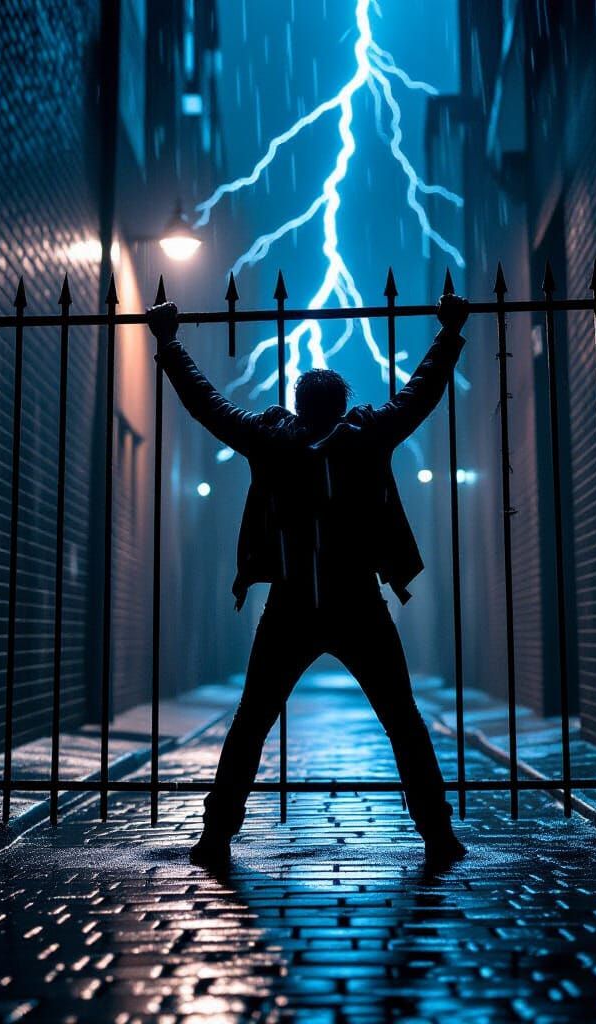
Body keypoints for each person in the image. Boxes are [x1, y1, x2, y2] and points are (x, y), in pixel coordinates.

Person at [146, 293, 471, 870]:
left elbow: (207, 404)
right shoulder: (368, 436)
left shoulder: (271, 440)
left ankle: (215, 837)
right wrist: (448, 333)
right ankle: (438, 836)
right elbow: (421, 393)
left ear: (297, 404)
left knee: (251, 722)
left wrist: (169, 343)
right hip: (357, 604)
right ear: (344, 403)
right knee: (403, 721)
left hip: (292, 603)